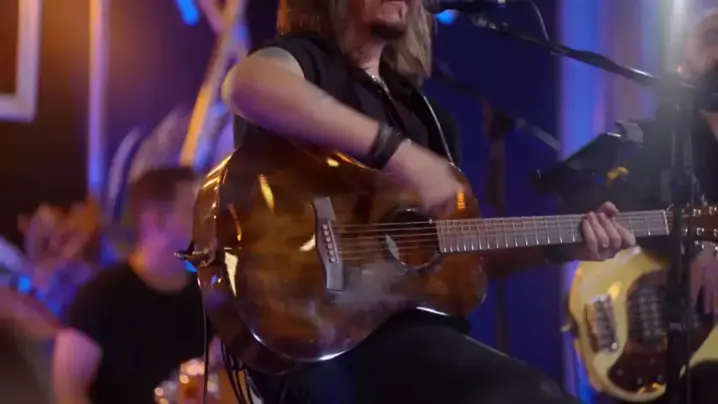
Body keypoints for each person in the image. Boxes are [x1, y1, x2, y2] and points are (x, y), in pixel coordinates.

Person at [221, 1, 635, 403]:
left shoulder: (425, 116)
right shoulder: (309, 62)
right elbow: (247, 85)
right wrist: (398, 154)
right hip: (316, 343)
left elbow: (452, 256)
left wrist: (562, 245)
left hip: (413, 340)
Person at [568, 9, 718, 404]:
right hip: (654, 336)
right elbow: (604, 205)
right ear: (682, 63)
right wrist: (698, 247)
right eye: (711, 37)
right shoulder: (655, 138)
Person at [52, 167, 209, 404]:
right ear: (157, 220)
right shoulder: (100, 297)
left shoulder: (205, 296)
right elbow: (68, 393)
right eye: (195, 211)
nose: (208, 221)